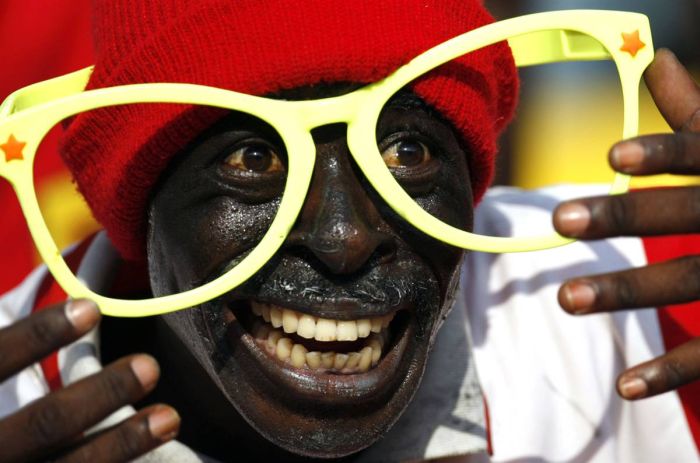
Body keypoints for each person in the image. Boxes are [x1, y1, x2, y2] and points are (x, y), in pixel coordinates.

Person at [1, 1, 699, 462]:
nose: (344, 238)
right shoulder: (14, 399)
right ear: (137, 201)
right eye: (254, 159)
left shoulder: (650, 304)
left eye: (406, 151)